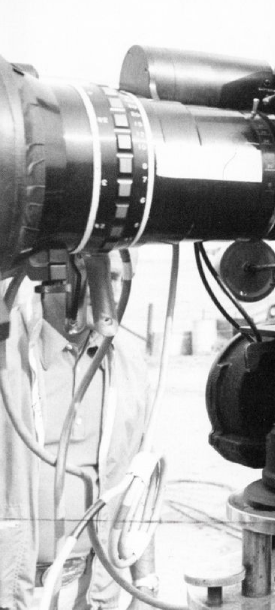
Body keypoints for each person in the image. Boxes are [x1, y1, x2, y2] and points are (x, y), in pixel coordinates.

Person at [0, 253, 158, 610]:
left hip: (93, 592)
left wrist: (146, 583)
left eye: (114, 277)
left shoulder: (129, 364)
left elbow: (140, 481)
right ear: (50, 274)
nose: (102, 287)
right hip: (14, 592)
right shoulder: (8, 356)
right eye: (87, 271)